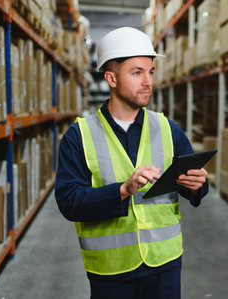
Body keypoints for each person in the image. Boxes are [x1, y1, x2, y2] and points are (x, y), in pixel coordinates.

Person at [55, 27, 209, 299]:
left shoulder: (168, 129)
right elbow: (69, 202)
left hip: (165, 263)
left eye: (150, 72)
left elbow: (189, 185)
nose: (147, 81)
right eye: (137, 72)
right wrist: (122, 190)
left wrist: (197, 185)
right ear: (111, 78)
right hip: (112, 272)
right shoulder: (79, 136)